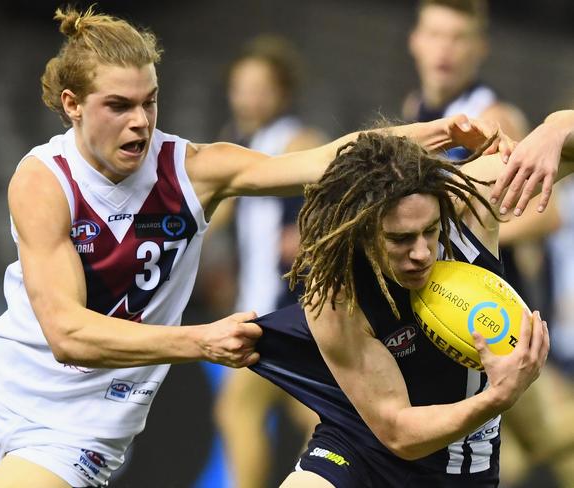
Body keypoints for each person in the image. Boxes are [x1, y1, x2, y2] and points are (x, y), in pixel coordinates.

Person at [0, 6, 503, 488]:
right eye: (118, 106)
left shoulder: (194, 169)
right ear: (73, 105)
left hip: (81, 422)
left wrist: (437, 136)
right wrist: (200, 340)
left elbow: (327, 159)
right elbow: (66, 335)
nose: (140, 123)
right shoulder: (44, 179)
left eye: (149, 102)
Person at [249, 112, 574, 487]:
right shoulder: (335, 295)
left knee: (541, 445)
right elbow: (398, 430)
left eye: (430, 231)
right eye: (400, 239)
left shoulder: (470, 202)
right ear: (364, 229)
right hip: (361, 450)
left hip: (456, 465)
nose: (421, 252)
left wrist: (555, 132)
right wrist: (498, 397)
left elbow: (565, 147)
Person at [404, 2, 570, 483]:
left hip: (493, 313)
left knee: (537, 442)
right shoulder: (419, 111)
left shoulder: (491, 115)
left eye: (459, 38)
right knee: (506, 455)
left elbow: (546, 213)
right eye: (436, 34)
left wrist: (456, 231)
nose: (445, 50)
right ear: (415, 40)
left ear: (480, 48)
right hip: (447, 309)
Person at [212, 34, 323, 488]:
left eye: (260, 87)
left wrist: (312, 234)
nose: (248, 97)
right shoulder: (234, 143)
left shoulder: (299, 139)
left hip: (290, 302)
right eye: (241, 86)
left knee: (240, 408)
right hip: (258, 300)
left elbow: (343, 198)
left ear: (282, 92)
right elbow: (211, 216)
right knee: (315, 413)